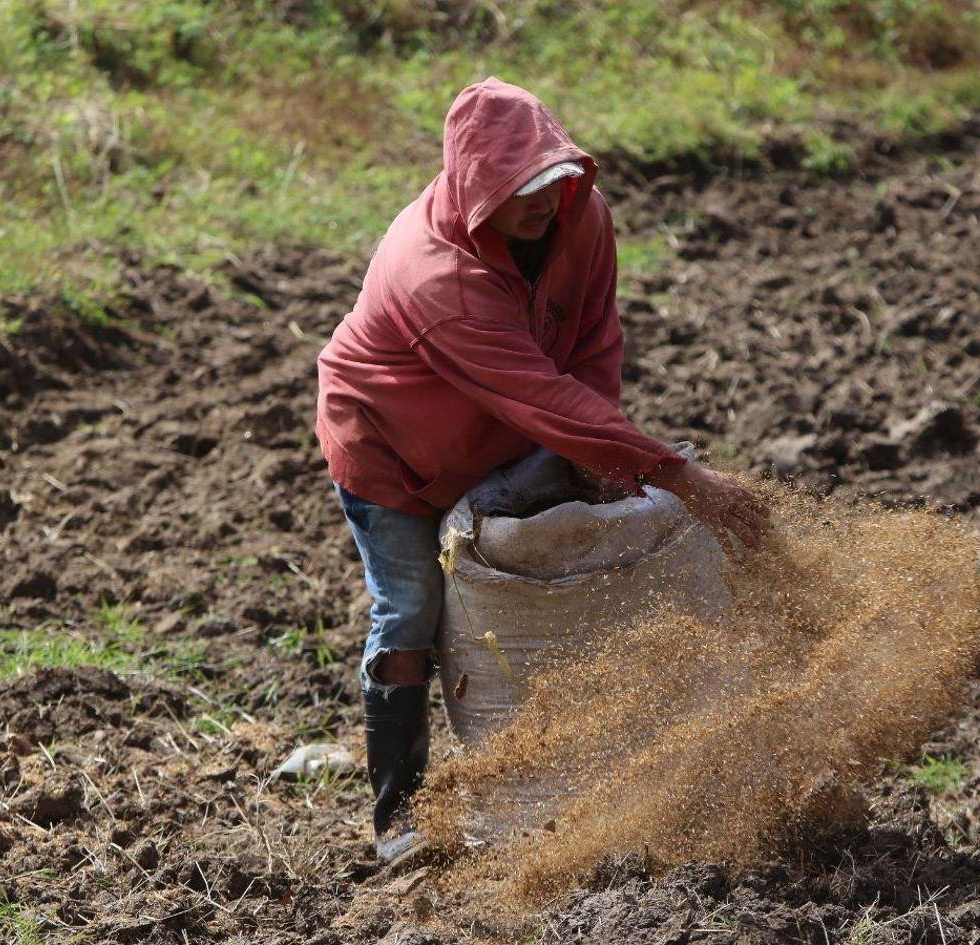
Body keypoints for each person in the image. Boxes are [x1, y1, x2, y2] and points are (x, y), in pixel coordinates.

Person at [315, 77, 766, 863]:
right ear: (475, 187)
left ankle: (596, 787)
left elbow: (591, 343)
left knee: (567, 562)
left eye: (553, 177)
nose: (543, 198)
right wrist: (679, 476)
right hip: (391, 446)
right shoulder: (436, 274)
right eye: (520, 186)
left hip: (499, 431)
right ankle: (401, 821)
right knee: (414, 606)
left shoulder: (581, 217)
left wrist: (599, 462)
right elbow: (541, 398)